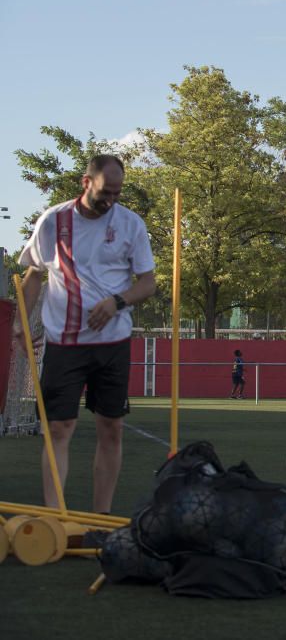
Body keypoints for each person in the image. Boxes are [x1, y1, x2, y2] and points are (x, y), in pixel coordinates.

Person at [13, 154, 156, 513]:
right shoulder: (52, 222)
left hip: (113, 343)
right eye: (106, 192)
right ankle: (56, 516)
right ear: (85, 183)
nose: (112, 200)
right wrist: (20, 323)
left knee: (111, 427)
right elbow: (33, 276)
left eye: (118, 193)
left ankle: (100, 518)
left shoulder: (130, 225)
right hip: (65, 343)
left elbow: (148, 283)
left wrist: (117, 301)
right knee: (59, 429)